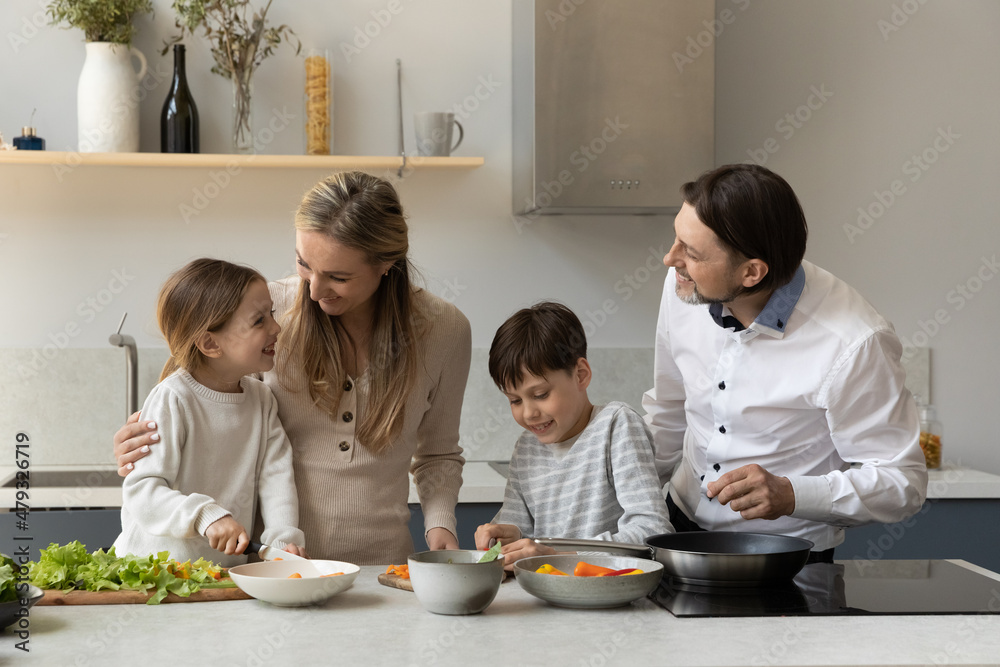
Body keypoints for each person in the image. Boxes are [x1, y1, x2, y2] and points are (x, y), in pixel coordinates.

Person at [114, 171, 471, 565]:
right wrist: (143, 446)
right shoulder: (264, 312)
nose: (314, 292)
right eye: (304, 264)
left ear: (386, 263)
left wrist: (441, 526)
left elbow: (438, 452)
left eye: (338, 276)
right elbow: (205, 403)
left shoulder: (445, 330)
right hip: (274, 572)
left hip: (382, 567)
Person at [641, 163, 928, 561]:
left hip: (786, 557)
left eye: (690, 252)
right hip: (678, 527)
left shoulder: (854, 341)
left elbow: (903, 483)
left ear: (751, 272)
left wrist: (791, 494)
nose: (670, 259)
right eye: (677, 240)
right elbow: (669, 411)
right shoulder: (685, 287)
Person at [114, 258, 304, 567]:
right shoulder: (172, 398)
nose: (276, 327)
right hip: (153, 574)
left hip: (219, 574)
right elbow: (143, 494)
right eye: (259, 321)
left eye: (271, 314)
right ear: (209, 343)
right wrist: (205, 515)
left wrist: (283, 540)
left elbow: (276, 475)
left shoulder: (261, 399)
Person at [475, 302, 673, 567]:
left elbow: (652, 532)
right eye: (514, 400)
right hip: (547, 596)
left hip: (611, 596)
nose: (529, 413)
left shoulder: (617, 426)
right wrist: (500, 545)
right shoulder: (526, 449)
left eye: (540, 395)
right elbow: (524, 540)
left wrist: (560, 559)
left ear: (580, 375)